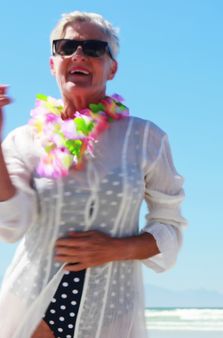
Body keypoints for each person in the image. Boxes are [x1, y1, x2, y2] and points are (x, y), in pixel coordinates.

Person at [0, 11, 186, 338]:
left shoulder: (146, 138)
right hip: (30, 310)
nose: (78, 54)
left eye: (94, 48)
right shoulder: (23, 140)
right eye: (66, 46)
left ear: (112, 67)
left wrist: (117, 248)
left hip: (112, 310)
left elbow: (169, 227)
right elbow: (12, 221)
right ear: (52, 63)